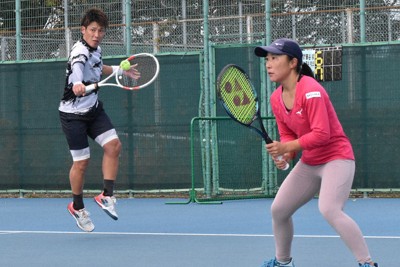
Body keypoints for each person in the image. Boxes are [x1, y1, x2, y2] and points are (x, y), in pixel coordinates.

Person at [254, 38, 378, 267]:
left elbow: (322, 134)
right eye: (267, 59)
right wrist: (285, 156)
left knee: (329, 208)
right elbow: (289, 135)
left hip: (336, 157)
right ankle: (283, 262)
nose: (268, 64)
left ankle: (367, 264)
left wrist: (286, 147)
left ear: (292, 62)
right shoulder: (275, 98)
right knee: (279, 210)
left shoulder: (311, 90)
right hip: (310, 162)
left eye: (274, 58)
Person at [59, 8, 138, 232]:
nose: (96, 34)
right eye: (92, 30)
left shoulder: (97, 49)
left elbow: (97, 67)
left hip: (93, 110)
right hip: (72, 116)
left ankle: (106, 195)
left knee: (114, 146)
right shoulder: (78, 51)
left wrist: (119, 71)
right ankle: (77, 207)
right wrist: (76, 83)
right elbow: (77, 66)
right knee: (82, 163)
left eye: (100, 31)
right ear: (83, 30)